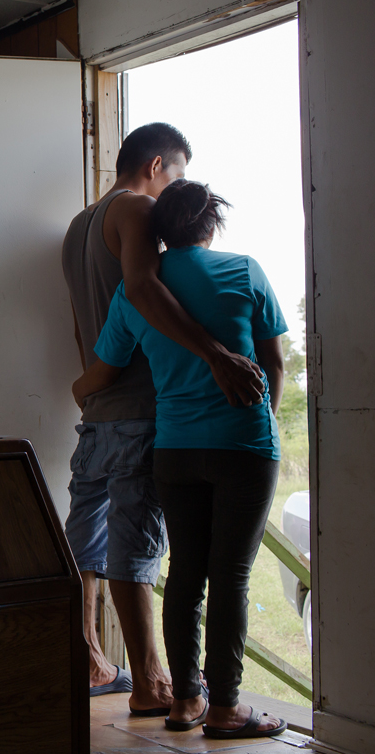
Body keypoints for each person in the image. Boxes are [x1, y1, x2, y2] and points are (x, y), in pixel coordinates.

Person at [60, 122, 266, 715]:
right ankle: (152, 683)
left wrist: (91, 385)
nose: (175, 193)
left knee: (85, 544)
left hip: (98, 409)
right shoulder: (135, 213)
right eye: (175, 175)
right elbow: (143, 290)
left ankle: (91, 659)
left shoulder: (79, 225)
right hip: (140, 409)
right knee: (136, 548)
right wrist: (216, 353)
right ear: (156, 165)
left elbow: (85, 324)